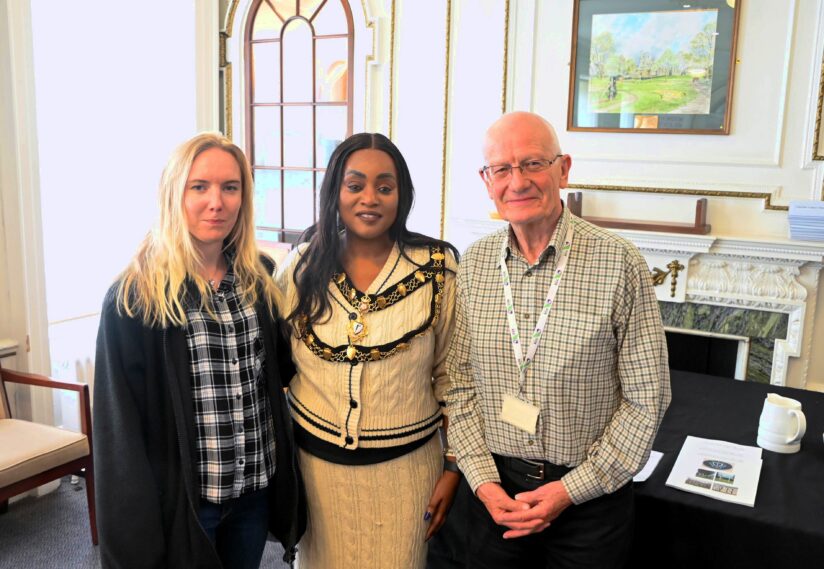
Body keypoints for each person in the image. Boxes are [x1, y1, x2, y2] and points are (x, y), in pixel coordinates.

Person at [446, 112, 671, 569]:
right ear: (486, 181)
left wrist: (571, 490)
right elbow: (458, 384)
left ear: (563, 169)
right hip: (495, 494)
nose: (518, 182)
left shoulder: (619, 262)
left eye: (532, 164)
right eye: (502, 170)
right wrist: (485, 483)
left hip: (589, 504)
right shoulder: (472, 265)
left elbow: (648, 398)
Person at [93, 133, 305, 569]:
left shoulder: (258, 279)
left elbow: (282, 372)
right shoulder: (135, 296)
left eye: (231, 187)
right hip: (188, 504)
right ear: (174, 194)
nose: (217, 202)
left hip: (253, 492)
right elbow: (120, 430)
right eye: (200, 187)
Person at [276, 132, 461, 569]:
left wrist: (454, 468)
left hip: (407, 475)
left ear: (402, 195)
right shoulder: (299, 268)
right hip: (316, 477)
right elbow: (274, 365)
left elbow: (456, 376)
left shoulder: (439, 270)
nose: (369, 199)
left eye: (385, 186)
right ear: (335, 192)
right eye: (355, 185)